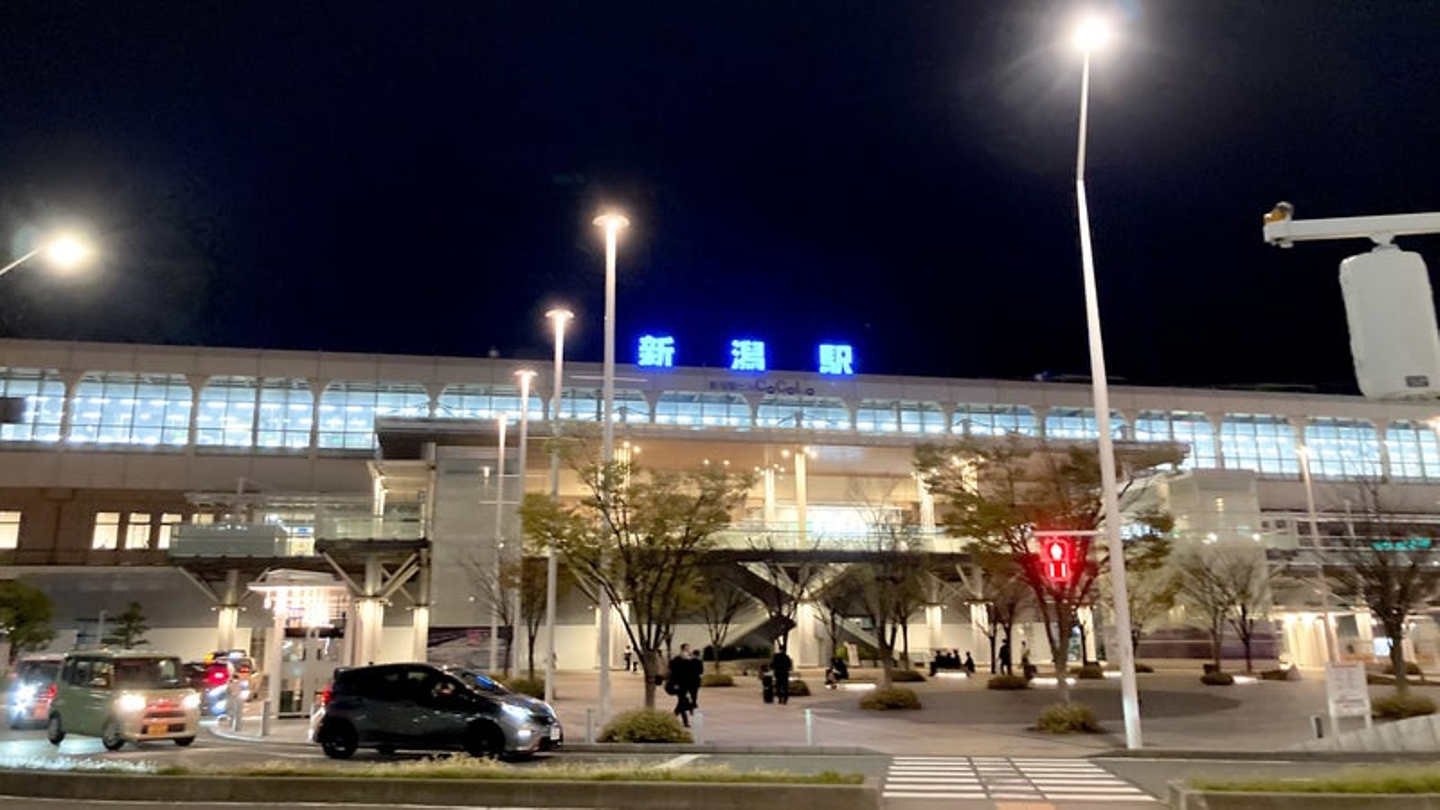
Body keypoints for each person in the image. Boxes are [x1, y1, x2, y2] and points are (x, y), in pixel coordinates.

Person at [667, 644, 702, 726]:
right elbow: (674, 671)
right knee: (682, 701)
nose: (688, 651)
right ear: (682, 650)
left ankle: (677, 718)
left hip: (687, 684)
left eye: (689, 649)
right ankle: (681, 719)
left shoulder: (691, 660)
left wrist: (693, 660)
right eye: (686, 649)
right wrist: (675, 683)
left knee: (682, 702)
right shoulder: (677, 660)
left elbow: (697, 671)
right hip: (679, 685)